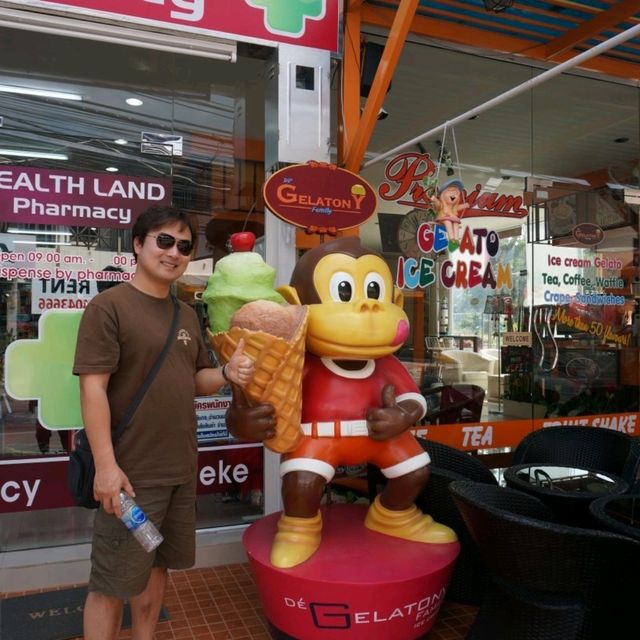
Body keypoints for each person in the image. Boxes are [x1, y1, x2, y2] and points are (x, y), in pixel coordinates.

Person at [72, 205, 260, 640]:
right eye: (164, 241)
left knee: (157, 568)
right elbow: (92, 389)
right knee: (111, 583)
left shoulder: (186, 314)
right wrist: (106, 467)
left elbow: (196, 380)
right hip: (130, 478)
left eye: (184, 246)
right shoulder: (108, 307)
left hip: (179, 471)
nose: (174, 252)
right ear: (138, 245)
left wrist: (227, 373)